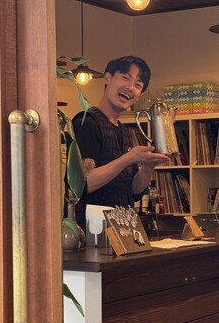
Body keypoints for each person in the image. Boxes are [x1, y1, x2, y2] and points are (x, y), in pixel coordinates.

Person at [70, 55, 170, 231]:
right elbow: (83, 184)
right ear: (107, 78)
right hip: (92, 232)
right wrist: (128, 159)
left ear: (138, 97)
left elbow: (134, 191)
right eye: (125, 78)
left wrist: (148, 166)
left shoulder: (127, 132)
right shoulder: (86, 123)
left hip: (122, 230)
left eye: (138, 85)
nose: (130, 88)